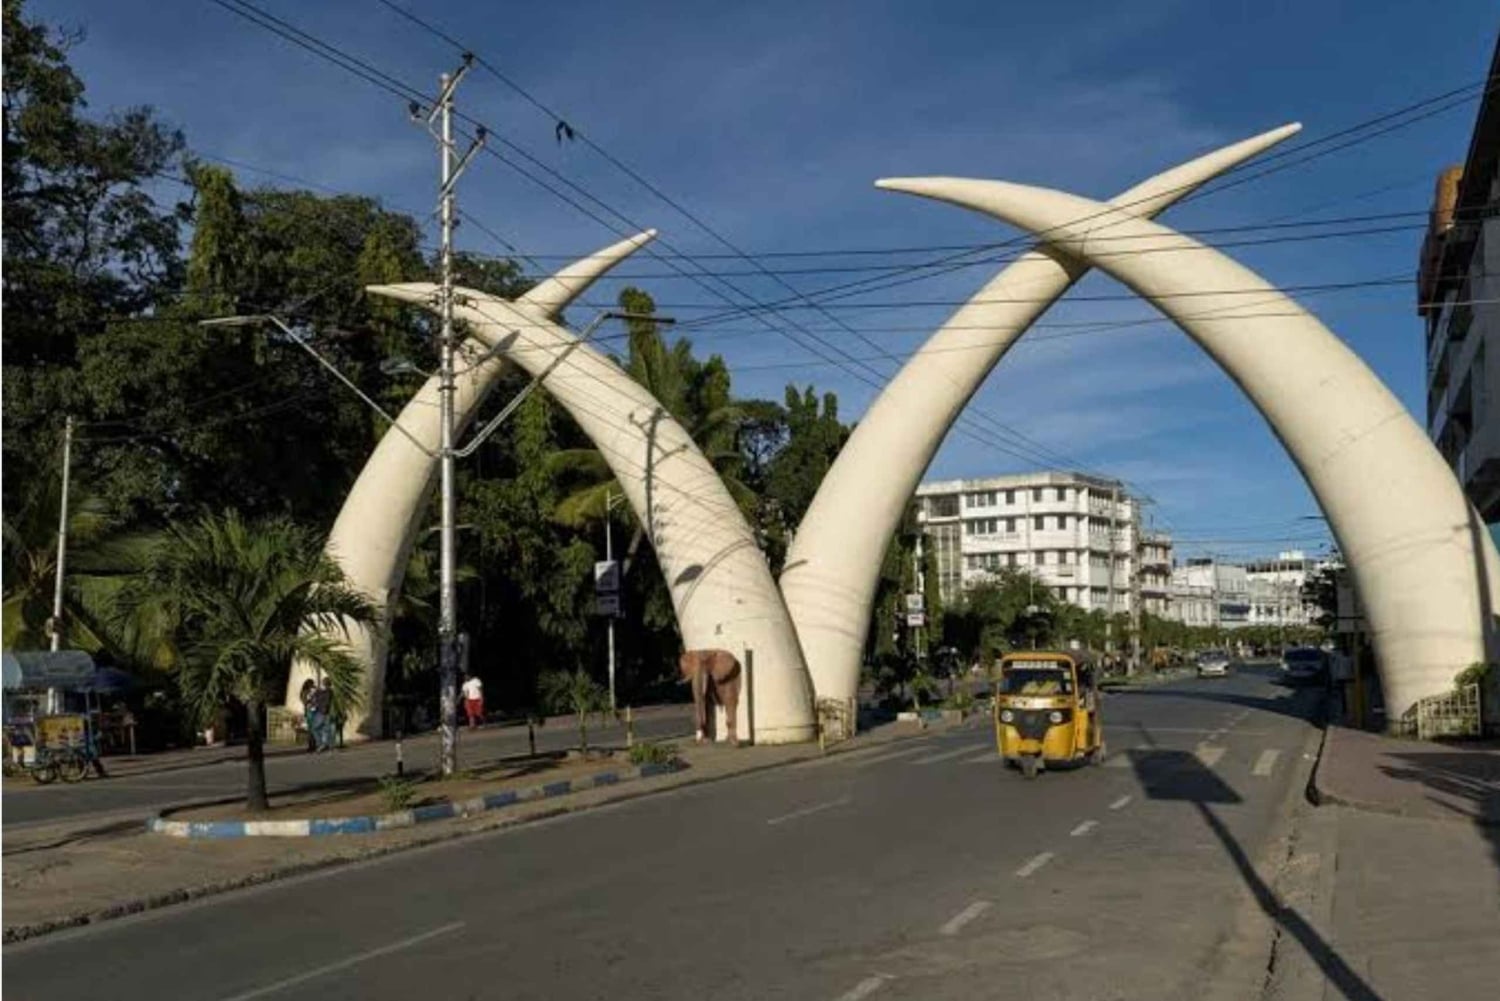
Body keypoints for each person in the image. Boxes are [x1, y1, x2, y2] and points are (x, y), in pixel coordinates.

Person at [312, 679, 335, 751]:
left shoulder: (328, 692)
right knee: (326, 729)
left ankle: (322, 744)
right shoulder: (324, 691)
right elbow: (315, 697)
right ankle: (327, 745)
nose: (323, 684)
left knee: (316, 728)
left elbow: (326, 701)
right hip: (322, 712)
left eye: (324, 683)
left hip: (322, 712)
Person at [299, 679, 318, 753]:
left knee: (312, 729)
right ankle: (311, 746)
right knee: (311, 730)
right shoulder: (305, 692)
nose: (312, 686)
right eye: (312, 684)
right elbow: (305, 701)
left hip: (312, 711)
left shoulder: (311, 691)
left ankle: (313, 745)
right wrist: (310, 699)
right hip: (310, 711)